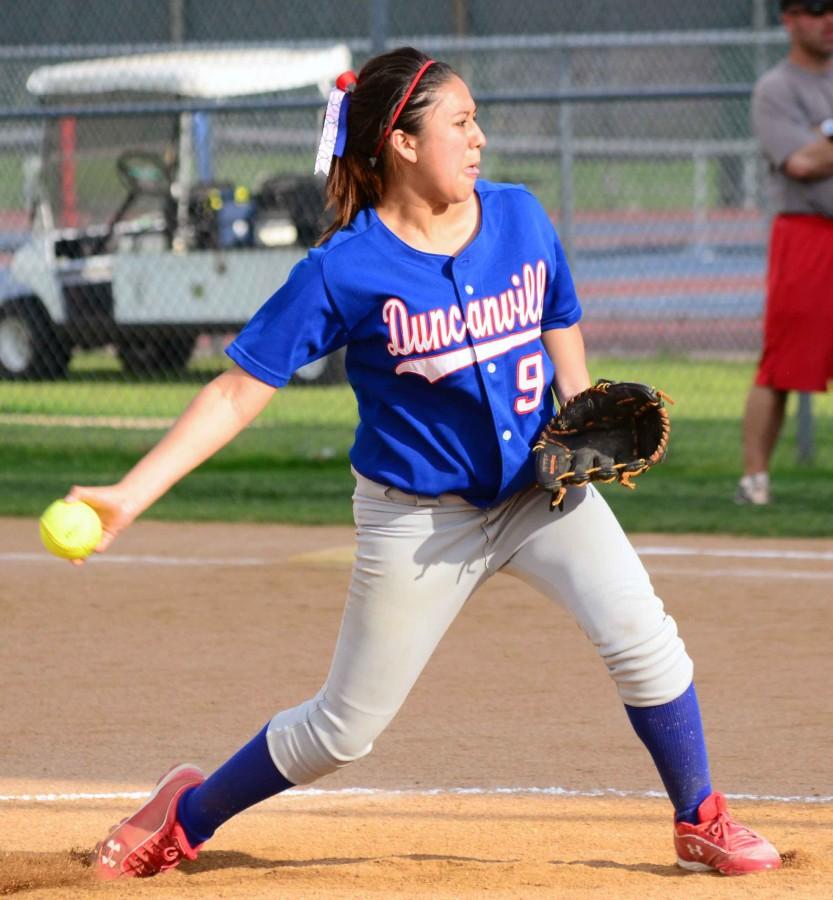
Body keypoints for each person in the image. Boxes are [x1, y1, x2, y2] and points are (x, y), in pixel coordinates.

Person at [68, 47, 781, 880]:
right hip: (419, 520)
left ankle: (699, 818)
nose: (478, 137)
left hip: (536, 493)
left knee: (643, 638)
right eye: (459, 121)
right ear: (402, 143)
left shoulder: (518, 216)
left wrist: (580, 405)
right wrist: (129, 493)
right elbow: (236, 391)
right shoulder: (343, 268)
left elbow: (559, 311)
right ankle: (184, 814)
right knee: (343, 730)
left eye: (476, 120)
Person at [736, 0, 833, 505]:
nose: (828, 20)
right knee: (782, 364)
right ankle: (754, 480)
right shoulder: (777, 88)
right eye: (815, 10)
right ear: (789, 18)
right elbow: (799, 162)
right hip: (807, 234)